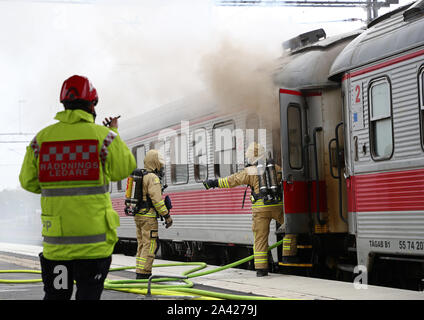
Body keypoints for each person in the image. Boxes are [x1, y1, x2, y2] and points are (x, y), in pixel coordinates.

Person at [19, 75, 136, 300]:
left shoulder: (41, 140)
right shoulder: (105, 138)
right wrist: (114, 132)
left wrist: (56, 183)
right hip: (94, 247)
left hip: (57, 246)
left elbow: (28, 181)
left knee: (56, 296)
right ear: (93, 104)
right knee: (88, 296)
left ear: (63, 103)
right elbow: (124, 169)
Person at [203, 142, 284, 277]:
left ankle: (261, 270)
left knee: (260, 239)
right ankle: (289, 257)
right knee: (290, 230)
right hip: (277, 206)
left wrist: (213, 183)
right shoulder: (274, 167)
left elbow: (231, 180)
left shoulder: (251, 171)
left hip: (260, 209)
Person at [134, 149, 173, 279]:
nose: (161, 166)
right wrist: (167, 216)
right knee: (151, 244)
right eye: (159, 163)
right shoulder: (153, 178)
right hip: (149, 217)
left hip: (138, 216)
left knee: (142, 244)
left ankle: (139, 272)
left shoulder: (141, 176)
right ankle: (144, 274)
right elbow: (157, 200)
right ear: (155, 162)